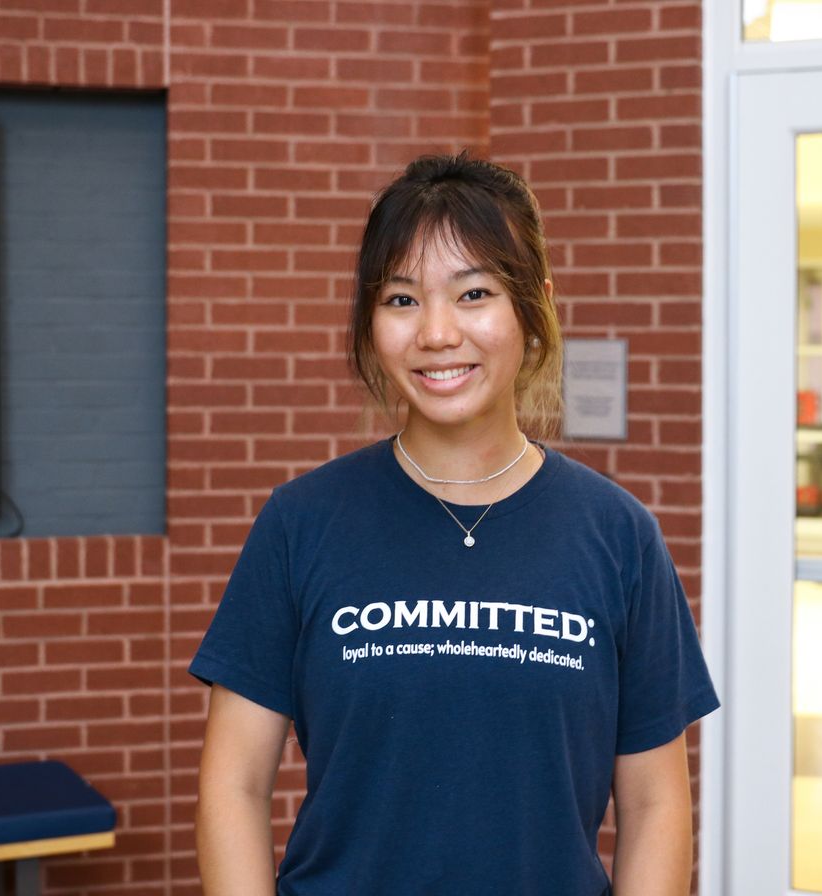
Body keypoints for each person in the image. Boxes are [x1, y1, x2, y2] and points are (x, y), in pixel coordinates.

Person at [189, 149, 720, 896]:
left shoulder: (619, 536)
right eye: (402, 299)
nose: (436, 333)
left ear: (532, 307)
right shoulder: (301, 525)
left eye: (473, 294)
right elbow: (234, 786)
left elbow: (655, 801)